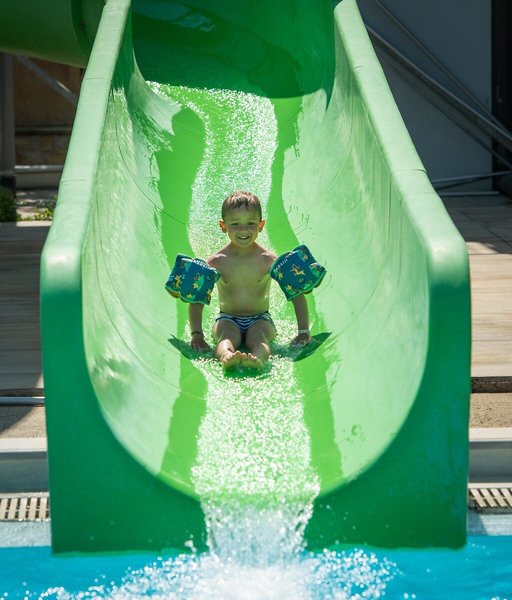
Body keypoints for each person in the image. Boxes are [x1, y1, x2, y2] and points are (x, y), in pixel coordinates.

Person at [189, 190, 312, 370]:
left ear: (261, 225)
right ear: (223, 226)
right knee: (226, 337)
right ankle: (227, 357)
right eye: (235, 224)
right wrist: (197, 334)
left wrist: (303, 331)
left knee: (259, 338)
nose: (243, 230)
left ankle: (258, 358)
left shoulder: (268, 260)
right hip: (227, 318)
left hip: (260, 318)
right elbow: (197, 299)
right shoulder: (216, 262)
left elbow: (296, 294)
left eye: (251, 223)